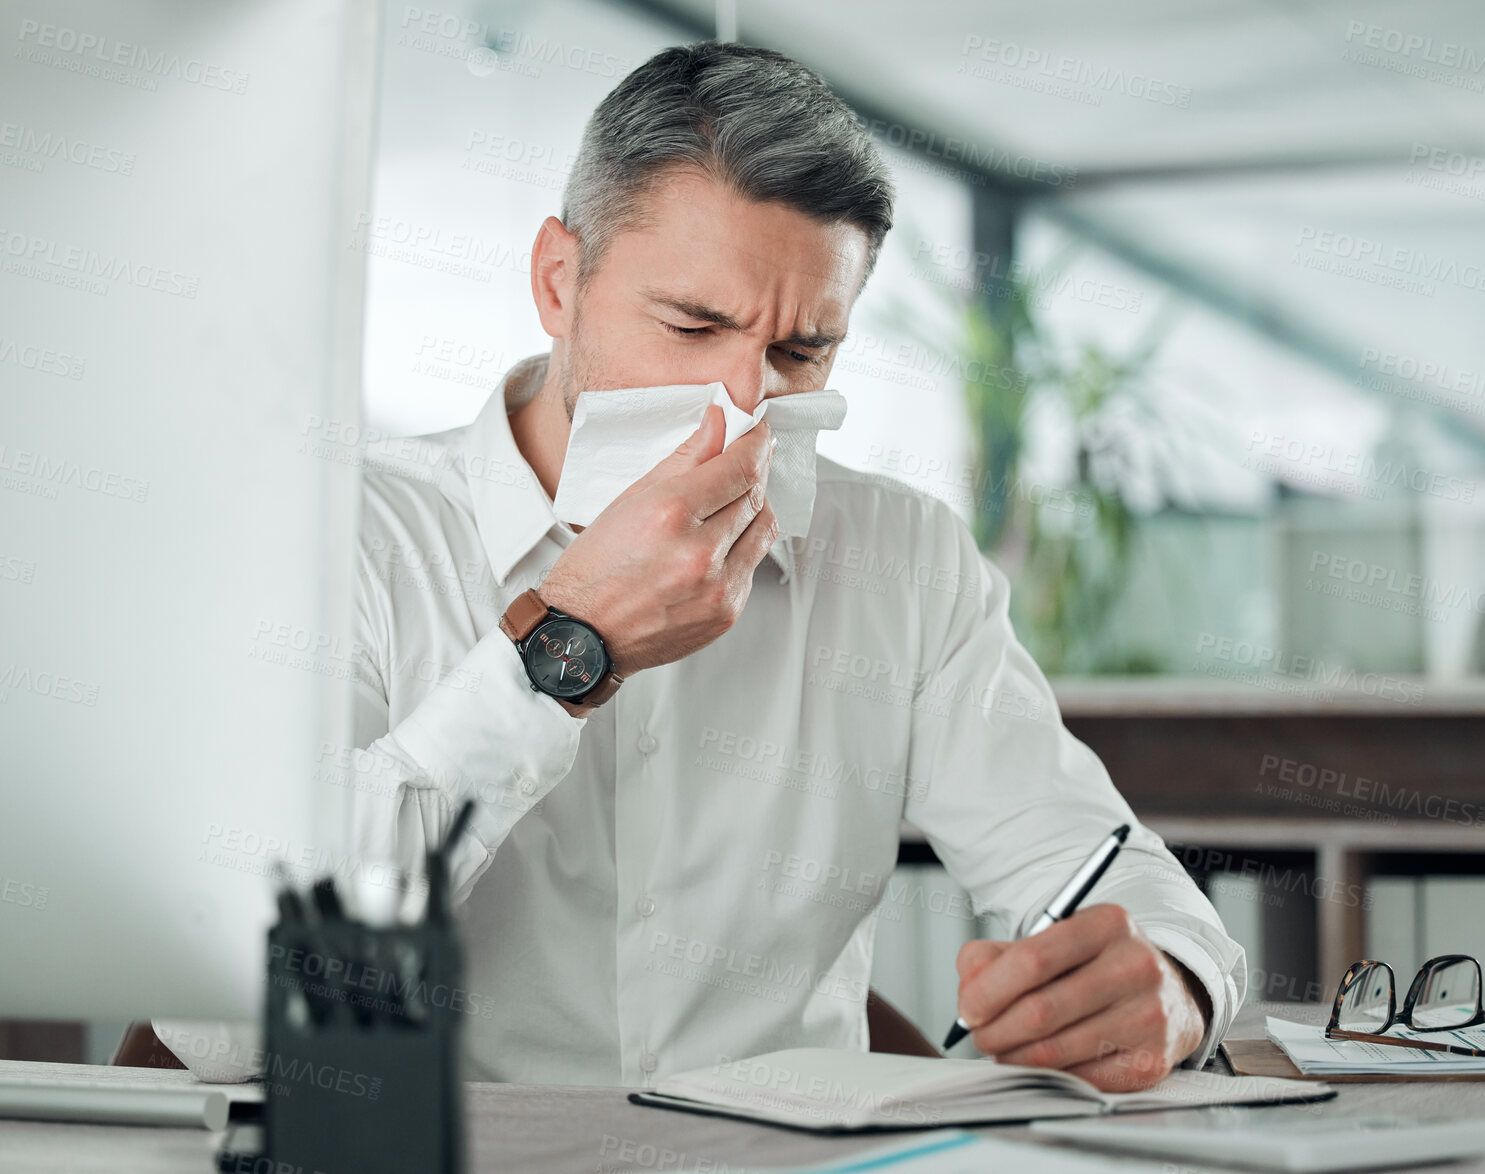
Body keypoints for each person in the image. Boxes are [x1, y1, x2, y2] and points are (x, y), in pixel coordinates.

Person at [346, 41, 1245, 1089]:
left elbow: (1092, 863)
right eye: (693, 324)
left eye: (800, 352)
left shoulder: (899, 559)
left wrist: (1171, 982)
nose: (744, 405)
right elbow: (238, 1001)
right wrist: (566, 644)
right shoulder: (350, 541)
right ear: (559, 279)